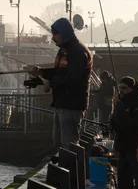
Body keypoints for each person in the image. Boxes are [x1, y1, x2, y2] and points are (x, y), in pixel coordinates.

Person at [29, 17, 92, 148]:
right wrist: (41, 72)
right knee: (57, 141)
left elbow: (72, 78)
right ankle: (63, 165)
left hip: (72, 105)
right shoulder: (64, 49)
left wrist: (50, 83)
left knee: (69, 144)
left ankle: (69, 167)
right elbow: (59, 72)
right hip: (62, 104)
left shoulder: (78, 52)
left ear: (63, 34)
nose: (53, 38)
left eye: (55, 35)